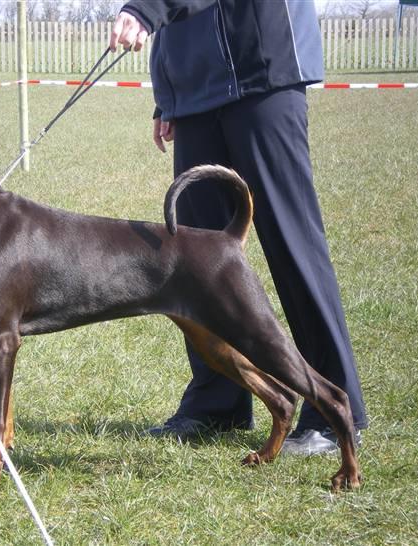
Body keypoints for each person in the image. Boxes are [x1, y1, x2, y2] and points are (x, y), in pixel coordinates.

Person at [109, 0, 368, 455]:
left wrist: (147, 9)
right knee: (198, 261)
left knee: (293, 246)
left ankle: (332, 411)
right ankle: (217, 403)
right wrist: (168, 95)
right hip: (195, 94)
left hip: (261, 71)